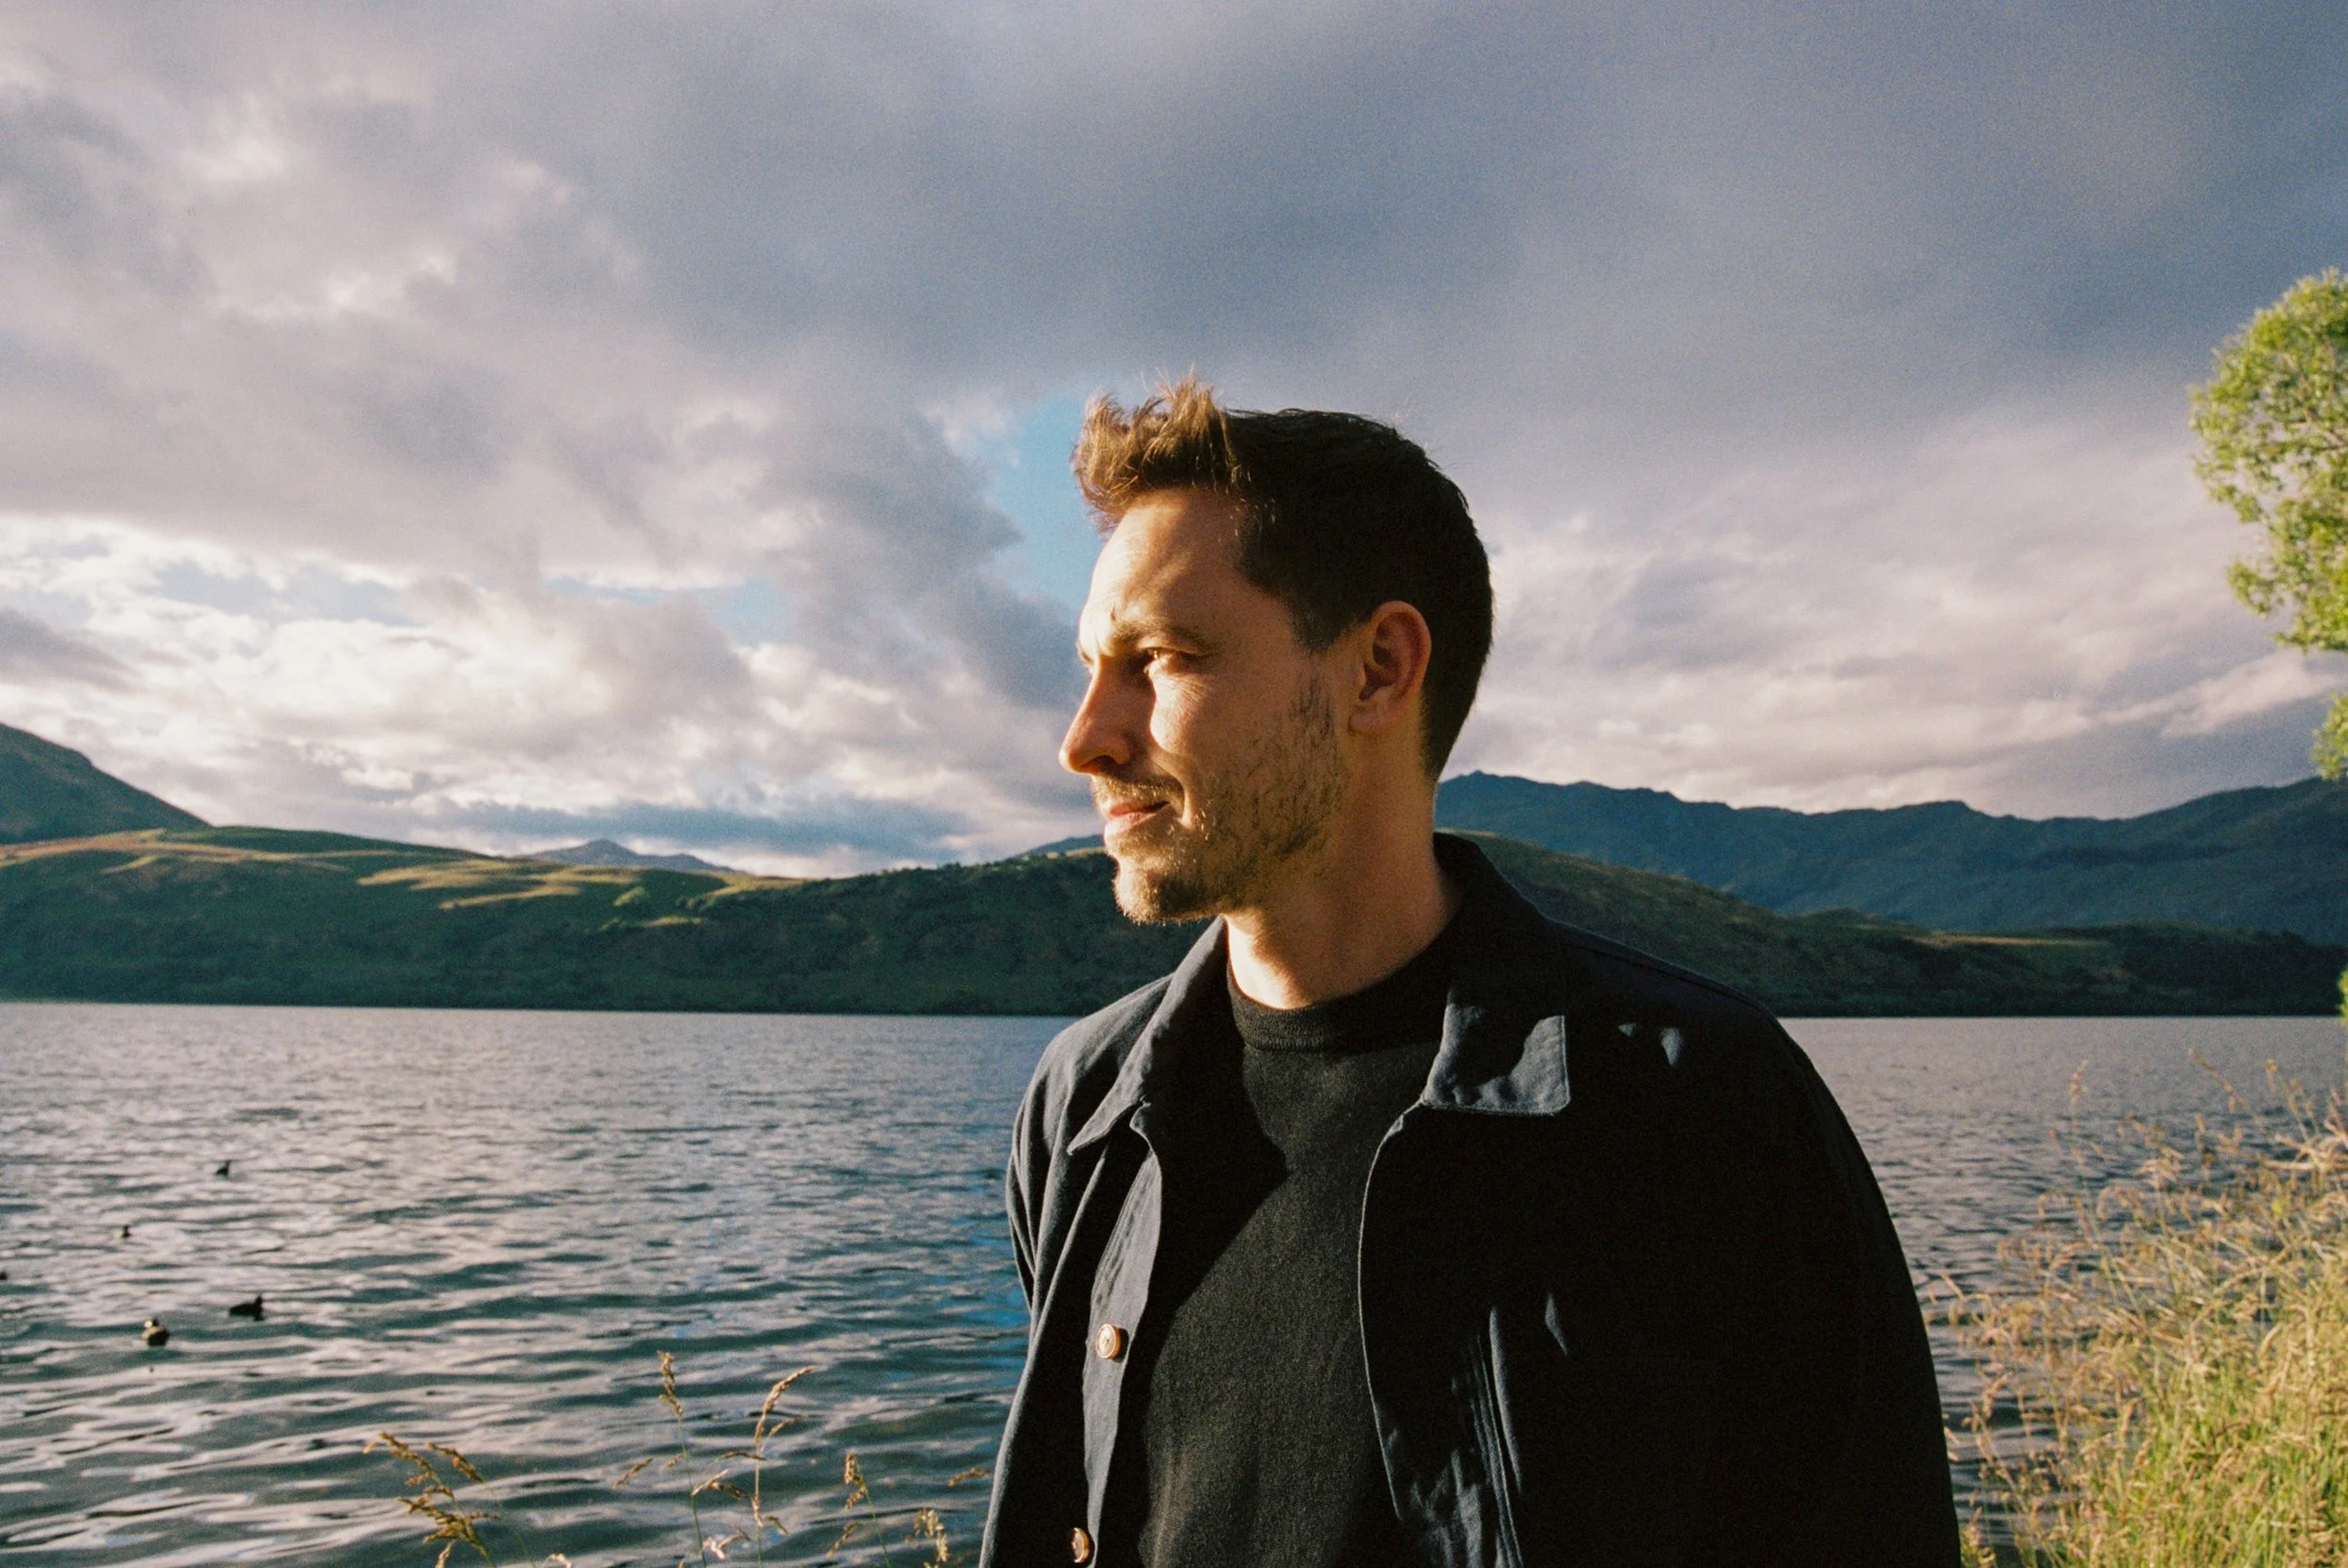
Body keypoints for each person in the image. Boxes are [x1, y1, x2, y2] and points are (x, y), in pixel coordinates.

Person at [978, 379, 1959, 1568]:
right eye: (1092, 665)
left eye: (1162, 658)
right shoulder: (1086, 1104)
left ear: (1379, 670)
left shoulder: (1699, 1106)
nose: (1083, 735)